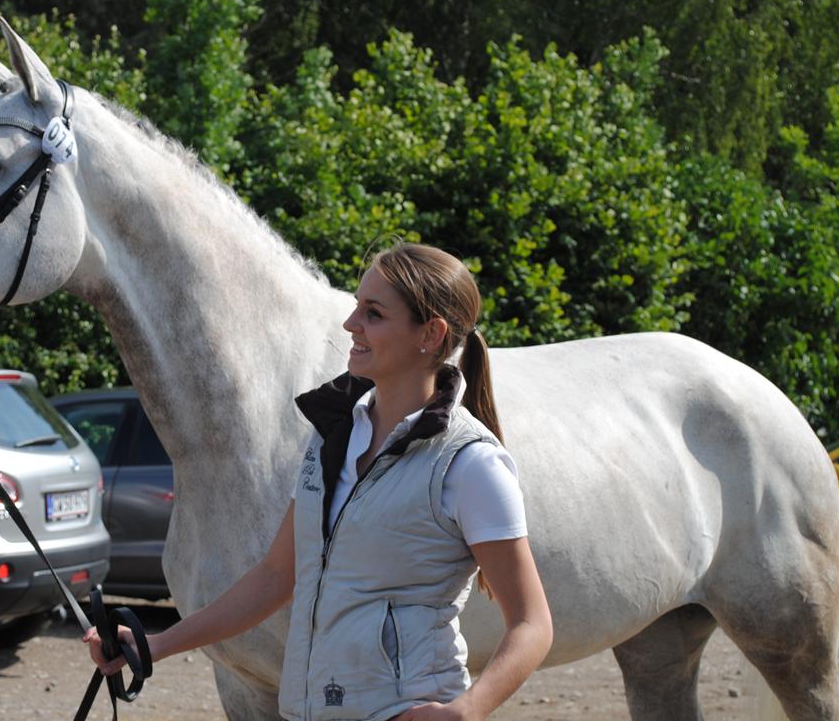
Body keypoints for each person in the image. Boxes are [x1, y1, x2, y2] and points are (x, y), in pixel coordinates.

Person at [86, 242, 553, 720]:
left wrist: (468, 710)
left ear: (430, 334)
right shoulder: (334, 435)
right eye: (356, 306)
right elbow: (275, 576)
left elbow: (532, 623)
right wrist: (154, 644)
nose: (351, 324)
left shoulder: (470, 462)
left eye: (373, 313)